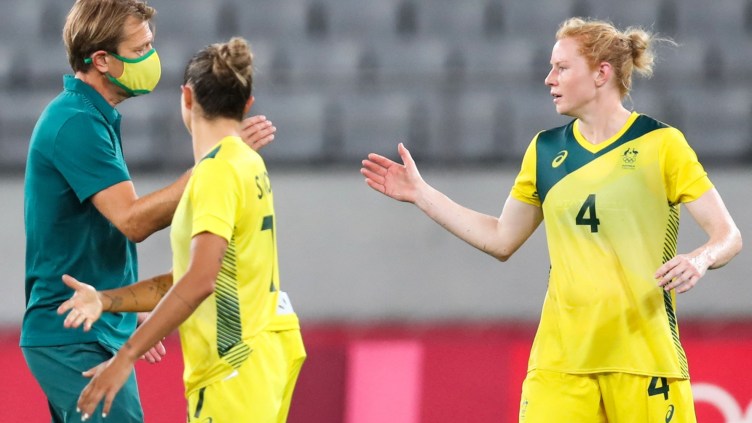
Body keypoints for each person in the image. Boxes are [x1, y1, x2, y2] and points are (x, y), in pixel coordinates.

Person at [360, 17, 742, 423]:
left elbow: (728, 235)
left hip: (644, 360)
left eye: (561, 67)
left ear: (601, 73)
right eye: (551, 67)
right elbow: (500, 238)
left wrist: (700, 258)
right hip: (560, 363)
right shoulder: (545, 150)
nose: (549, 79)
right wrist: (423, 195)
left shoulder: (661, 144)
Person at [22, 1, 276, 422]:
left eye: (150, 46)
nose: (152, 58)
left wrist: (126, 306)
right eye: (140, 50)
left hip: (90, 325)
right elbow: (133, 221)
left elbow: (99, 234)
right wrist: (217, 162)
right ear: (102, 60)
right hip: (73, 333)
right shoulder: (76, 123)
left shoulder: (92, 116)